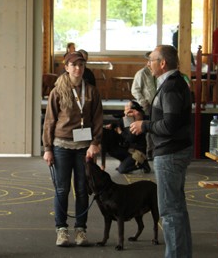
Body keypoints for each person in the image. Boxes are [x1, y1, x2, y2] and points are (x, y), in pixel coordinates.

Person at [129, 45, 193, 258]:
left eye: (152, 60)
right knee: (177, 208)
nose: (149, 64)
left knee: (170, 212)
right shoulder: (172, 83)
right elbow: (166, 118)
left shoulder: (171, 86)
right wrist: (143, 116)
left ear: (163, 63)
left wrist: (145, 126)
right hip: (173, 151)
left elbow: (170, 125)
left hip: (170, 153)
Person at [42, 51, 103, 247]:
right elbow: (49, 121)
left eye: (81, 65)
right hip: (61, 145)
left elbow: (97, 120)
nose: (78, 68)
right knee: (62, 189)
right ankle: (61, 230)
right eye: (74, 65)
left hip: (84, 147)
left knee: (83, 189)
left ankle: (80, 230)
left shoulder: (92, 91)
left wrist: (95, 142)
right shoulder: (57, 91)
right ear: (66, 67)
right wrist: (48, 148)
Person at [101, 100, 150, 174]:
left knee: (122, 169)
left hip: (138, 151)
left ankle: (141, 164)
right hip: (129, 149)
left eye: (127, 107)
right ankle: (127, 162)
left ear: (133, 110)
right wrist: (112, 125)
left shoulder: (138, 119)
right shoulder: (128, 118)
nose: (125, 108)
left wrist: (120, 132)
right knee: (112, 150)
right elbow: (119, 123)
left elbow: (131, 138)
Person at [131, 52, 157, 160]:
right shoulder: (142, 73)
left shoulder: (159, 73)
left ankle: (156, 151)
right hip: (148, 105)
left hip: (159, 105)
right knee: (149, 129)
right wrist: (144, 103)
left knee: (156, 128)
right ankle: (149, 152)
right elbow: (135, 90)